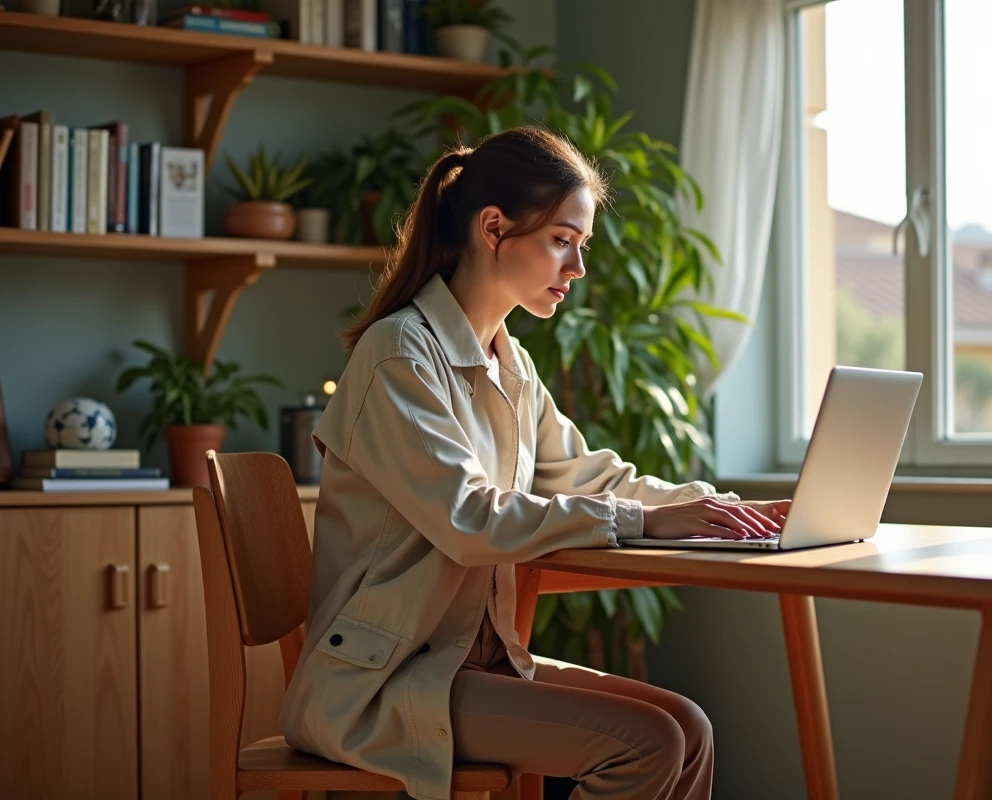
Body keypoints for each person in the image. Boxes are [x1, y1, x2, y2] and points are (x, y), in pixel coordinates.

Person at [279, 126, 791, 800]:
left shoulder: (507, 359)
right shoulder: (399, 355)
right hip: (385, 679)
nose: (577, 269)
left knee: (688, 729)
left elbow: (583, 473)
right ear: (494, 229)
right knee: (649, 745)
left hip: (469, 663)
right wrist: (641, 521)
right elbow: (469, 518)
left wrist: (709, 507)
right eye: (562, 241)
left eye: (581, 247)